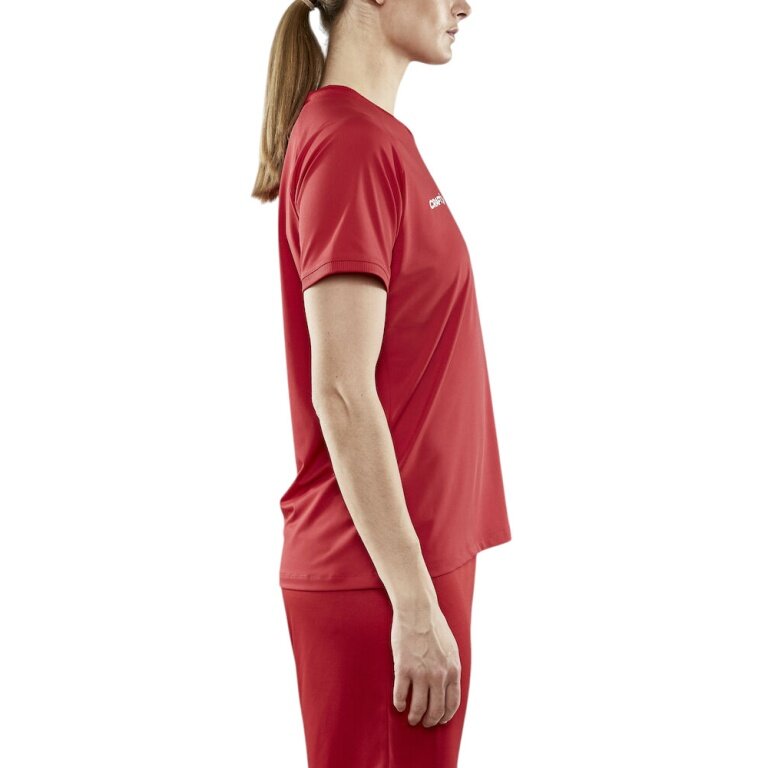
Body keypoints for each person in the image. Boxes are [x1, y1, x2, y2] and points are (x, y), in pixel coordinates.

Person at [252, 1, 512, 765]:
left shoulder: (373, 138)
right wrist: (413, 603)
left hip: (408, 566)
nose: (466, 5)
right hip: (383, 580)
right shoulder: (351, 145)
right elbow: (340, 389)